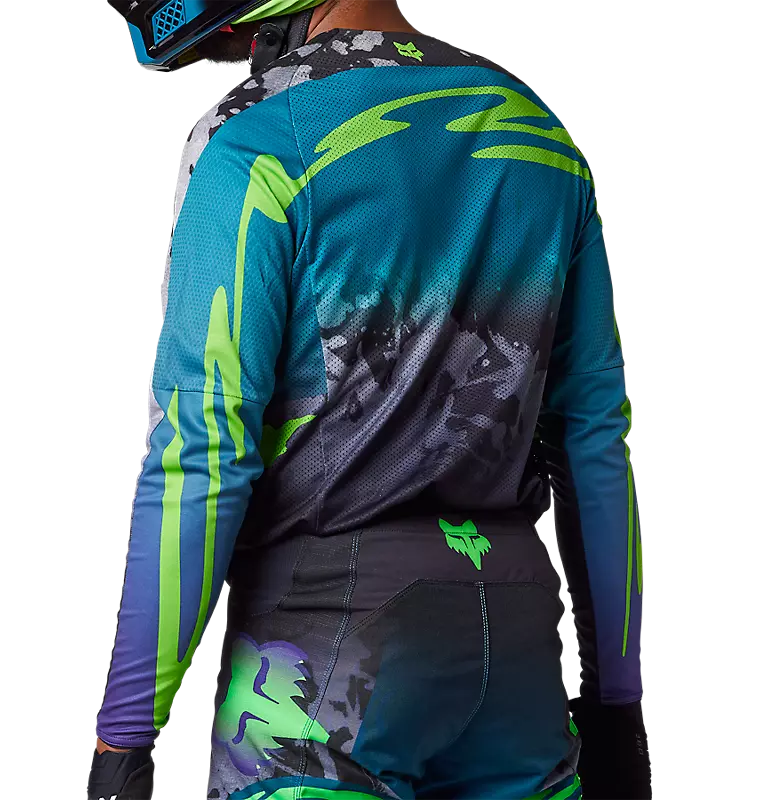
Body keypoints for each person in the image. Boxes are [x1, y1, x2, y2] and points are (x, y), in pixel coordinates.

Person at [88, 1, 652, 798]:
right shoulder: (539, 134)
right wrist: (619, 708)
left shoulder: (255, 137)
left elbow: (202, 451)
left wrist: (123, 739)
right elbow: (593, 442)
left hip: (325, 655)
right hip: (518, 650)